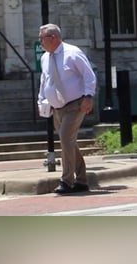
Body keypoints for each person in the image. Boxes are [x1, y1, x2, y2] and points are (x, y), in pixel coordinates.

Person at [37, 23, 97, 195]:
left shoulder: (73, 53)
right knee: (68, 142)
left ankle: (66, 181)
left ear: (53, 38)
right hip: (57, 107)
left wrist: (88, 96)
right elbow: (45, 80)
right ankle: (82, 180)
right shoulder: (45, 58)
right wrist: (41, 99)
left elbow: (88, 75)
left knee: (65, 138)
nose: (40, 41)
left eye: (42, 38)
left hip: (75, 104)